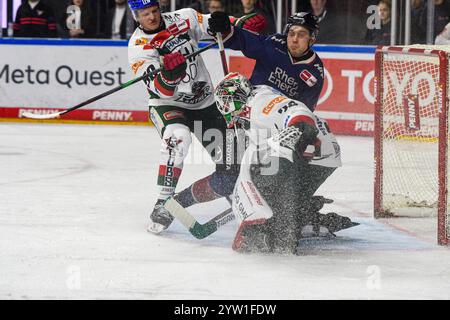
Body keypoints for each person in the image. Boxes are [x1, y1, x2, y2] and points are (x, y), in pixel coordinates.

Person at [168, 73, 356, 254]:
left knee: (269, 184)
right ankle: (304, 215)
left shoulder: (258, 104)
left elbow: (295, 109)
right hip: (318, 156)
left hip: (312, 151)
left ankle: (284, 236)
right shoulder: (251, 106)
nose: (224, 109)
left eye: (224, 103)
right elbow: (231, 174)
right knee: (266, 182)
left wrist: (301, 127)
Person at [127, 0, 239, 233]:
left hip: (205, 103)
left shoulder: (184, 17)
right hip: (168, 105)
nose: (152, 17)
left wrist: (224, 23)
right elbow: (161, 90)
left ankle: (236, 190)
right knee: (178, 137)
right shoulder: (138, 47)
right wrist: (170, 74)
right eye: (145, 14)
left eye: (154, 11)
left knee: (233, 163)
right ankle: (164, 201)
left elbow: (216, 28)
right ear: (136, 16)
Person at [208, 11, 325, 112]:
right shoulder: (274, 44)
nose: (294, 39)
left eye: (301, 35)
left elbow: (306, 109)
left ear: (312, 39)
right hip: (252, 106)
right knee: (230, 86)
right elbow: (243, 40)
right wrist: (225, 29)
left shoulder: (315, 70)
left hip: (278, 116)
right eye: (291, 33)